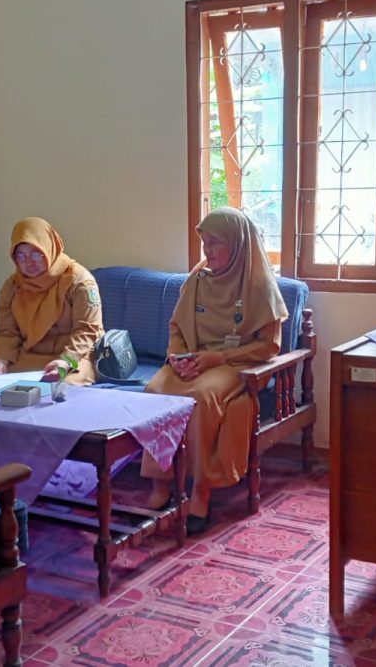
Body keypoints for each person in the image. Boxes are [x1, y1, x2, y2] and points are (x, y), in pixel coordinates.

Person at [141, 207, 288, 533]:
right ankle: (160, 482)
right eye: (204, 242)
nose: (207, 251)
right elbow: (177, 327)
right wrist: (176, 356)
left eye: (215, 243)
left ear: (236, 244)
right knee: (154, 392)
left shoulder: (259, 285)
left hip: (232, 363)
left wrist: (217, 358)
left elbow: (268, 347)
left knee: (202, 398)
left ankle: (200, 491)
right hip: (192, 359)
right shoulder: (198, 279)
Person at [0, 217, 104, 383]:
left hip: (76, 357)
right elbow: (8, 331)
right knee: (3, 385)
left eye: (36, 253)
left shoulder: (79, 281)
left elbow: (87, 331)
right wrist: (0, 359)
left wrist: (66, 361)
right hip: (30, 357)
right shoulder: (13, 286)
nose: (29, 262)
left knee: (60, 386)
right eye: (21, 256)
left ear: (50, 248)